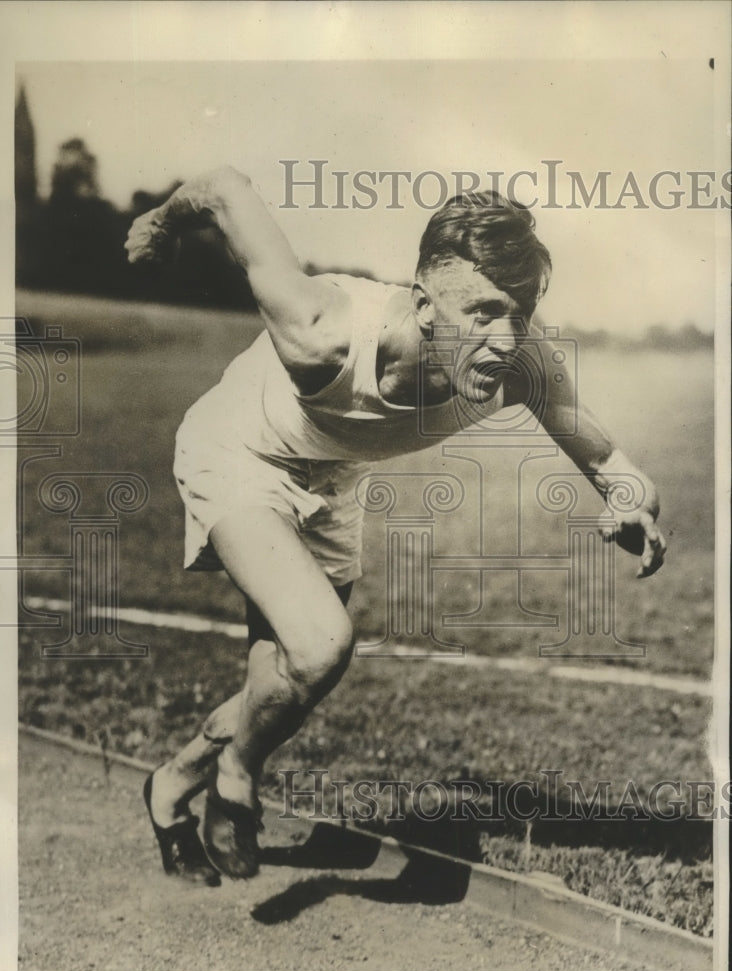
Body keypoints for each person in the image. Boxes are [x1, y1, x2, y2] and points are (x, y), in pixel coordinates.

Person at [125, 166, 667, 885]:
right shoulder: (322, 328)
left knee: (285, 681)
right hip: (240, 454)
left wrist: (632, 501)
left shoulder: (522, 366)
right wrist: (163, 223)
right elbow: (226, 189)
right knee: (320, 645)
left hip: (334, 479)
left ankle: (171, 785)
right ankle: (236, 771)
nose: (505, 338)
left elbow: (612, 464)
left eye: (521, 313)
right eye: (481, 310)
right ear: (423, 302)